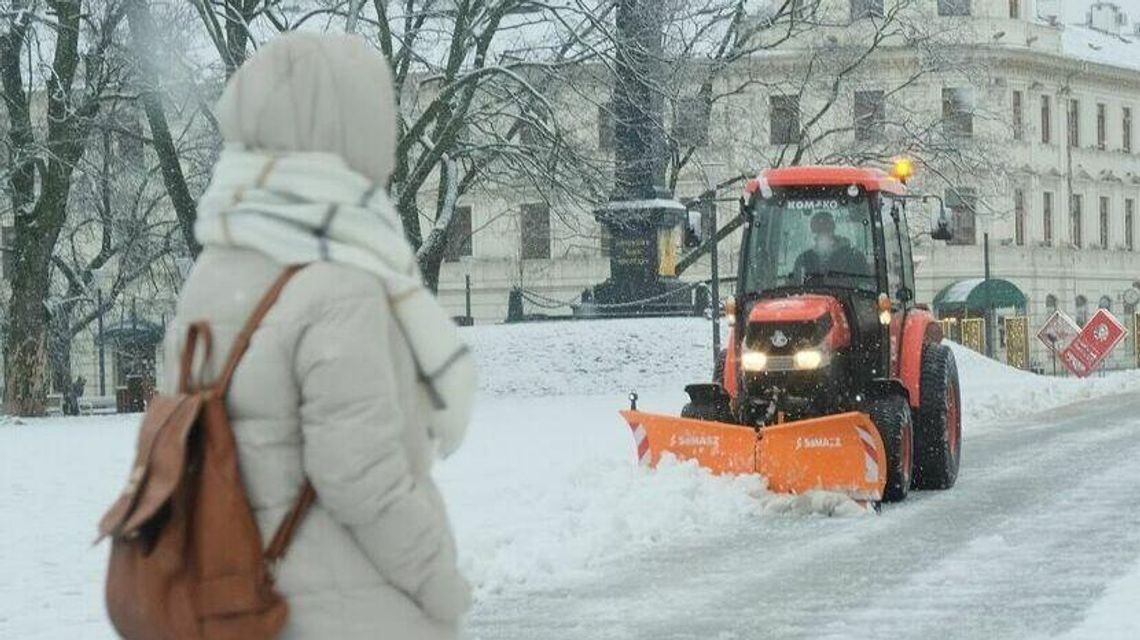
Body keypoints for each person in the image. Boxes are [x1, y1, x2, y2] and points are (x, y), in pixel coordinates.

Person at [163, 33, 475, 639]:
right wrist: (440, 582)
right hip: (345, 611)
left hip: (236, 596)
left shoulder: (212, 268)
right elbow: (358, 477)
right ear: (346, 128)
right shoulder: (341, 280)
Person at [792, 210, 869, 282]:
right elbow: (796, 286)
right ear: (815, 236)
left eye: (827, 231)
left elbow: (863, 284)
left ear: (833, 232)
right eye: (819, 233)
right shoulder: (804, 259)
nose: (824, 237)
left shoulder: (854, 258)